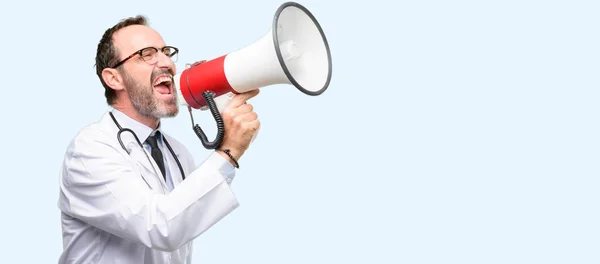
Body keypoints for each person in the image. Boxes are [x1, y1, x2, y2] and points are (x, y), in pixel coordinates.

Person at [57, 15, 260, 264]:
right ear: (114, 78)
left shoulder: (178, 152)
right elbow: (159, 227)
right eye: (146, 54)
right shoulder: (90, 149)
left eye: (166, 52)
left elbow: (182, 228)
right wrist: (228, 151)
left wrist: (220, 103)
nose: (166, 63)